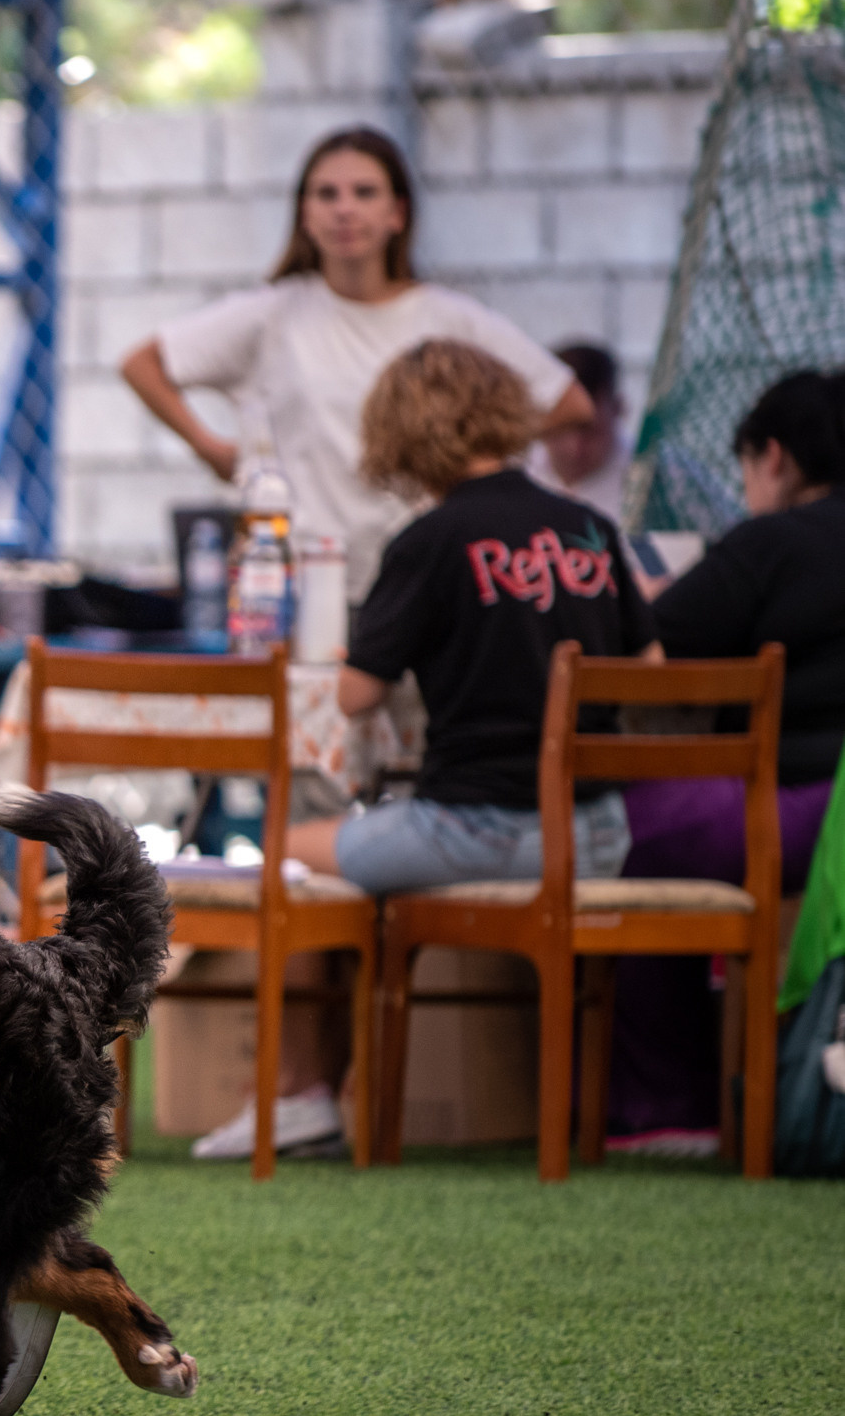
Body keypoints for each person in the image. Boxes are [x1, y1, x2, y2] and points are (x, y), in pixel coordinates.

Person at [212, 341, 659, 1162]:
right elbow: (648, 674)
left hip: (477, 830)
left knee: (287, 853)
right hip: (599, 833)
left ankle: (305, 1094)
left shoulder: (430, 540)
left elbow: (353, 696)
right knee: (357, 850)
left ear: (406, 434)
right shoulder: (590, 527)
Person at [120, 127, 594, 597]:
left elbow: (570, 404)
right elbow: (143, 363)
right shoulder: (272, 314)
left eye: (364, 193)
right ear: (304, 213)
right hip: (310, 581)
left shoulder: (450, 318)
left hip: (426, 577)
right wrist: (214, 450)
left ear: (397, 213)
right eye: (327, 194)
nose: (344, 209)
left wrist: (468, 457)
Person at [604, 369, 845, 1152]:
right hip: (821, 813)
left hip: (808, 804)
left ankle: (668, 1105)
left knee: (629, 839)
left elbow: (649, 645)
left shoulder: (770, 543)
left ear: (771, 456)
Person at [528, 342, 633, 522]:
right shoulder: (513, 470)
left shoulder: (660, 477)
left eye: (592, 433)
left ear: (618, 409)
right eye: (561, 431)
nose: (574, 448)